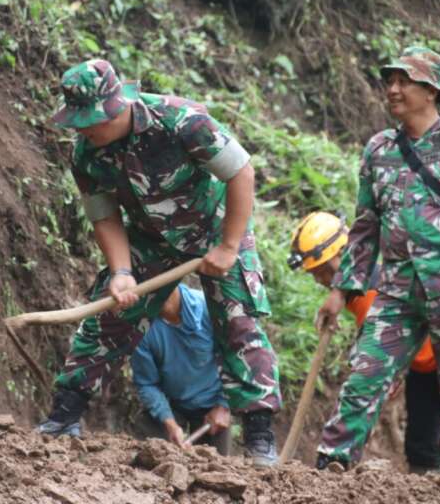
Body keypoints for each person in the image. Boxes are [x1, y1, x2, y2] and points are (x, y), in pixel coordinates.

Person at [37, 59, 280, 466]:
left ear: (117, 106)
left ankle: (259, 435)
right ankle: (64, 415)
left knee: (238, 320)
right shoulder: (86, 155)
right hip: (152, 238)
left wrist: (229, 246)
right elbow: (105, 216)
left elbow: (240, 172)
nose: (83, 129)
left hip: (215, 226)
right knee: (110, 314)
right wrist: (121, 271)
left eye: (90, 120)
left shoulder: (182, 122)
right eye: (77, 121)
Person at [313, 47, 440, 476]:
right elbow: (365, 227)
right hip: (397, 288)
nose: (393, 89)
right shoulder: (379, 149)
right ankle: (332, 464)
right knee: (365, 373)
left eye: (405, 81)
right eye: (390, 81)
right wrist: (339, 290)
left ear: (432, 91)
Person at [291, 211, 440, 483]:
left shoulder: (371, 289)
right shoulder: (354, 288)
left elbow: (384, 343)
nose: (321, 280)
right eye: (316, 274)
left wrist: (390, 374)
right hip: (422, 367)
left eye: (324, 271)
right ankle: (432, 492)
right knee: (421, 445)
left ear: (344, 252)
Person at [131, 284, 231, 455]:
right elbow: (146, 383)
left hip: (213, 406)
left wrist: (224, 406)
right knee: (151, 458)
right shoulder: (141, 327)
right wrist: (169, 423)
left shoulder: (208, 308)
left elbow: (238, 358)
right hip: (171, 404)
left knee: (215, 469)